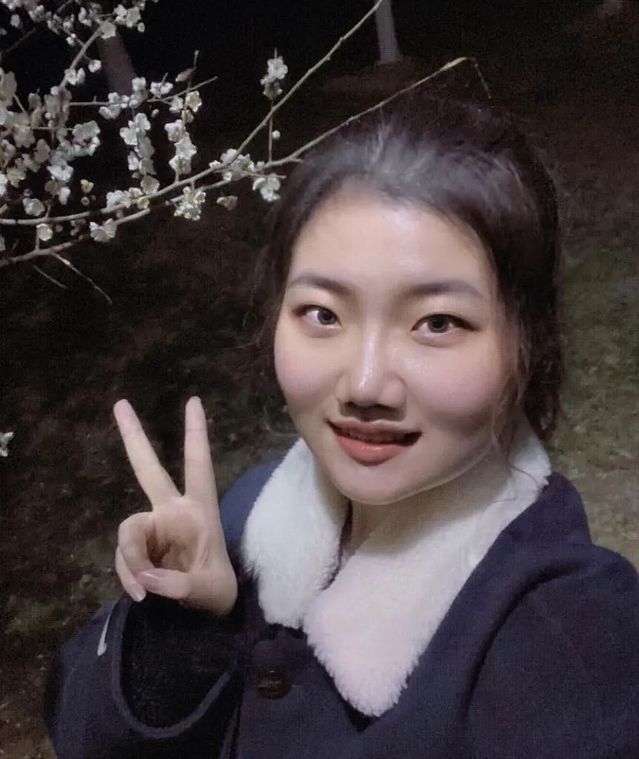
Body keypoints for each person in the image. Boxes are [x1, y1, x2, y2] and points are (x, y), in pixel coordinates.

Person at [44, 97, 639, 758]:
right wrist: (179, 626)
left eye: (437, 323)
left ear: (529, 342)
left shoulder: (575, 642)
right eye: (323, 314)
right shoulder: (247, 517)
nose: (363, 385)